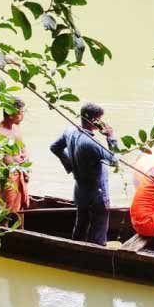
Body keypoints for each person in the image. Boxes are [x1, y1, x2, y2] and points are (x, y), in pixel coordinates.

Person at [50, 103, 118, 246]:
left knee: (80, 226)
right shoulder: (92, 143)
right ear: (95, 120)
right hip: (97, 194)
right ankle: (96, 255)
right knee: (98, 232)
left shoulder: (70, 131)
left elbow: (55, 147)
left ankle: (74, 250)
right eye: (100, 119)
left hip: (80, 190)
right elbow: (115, 160)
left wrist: (71, 164)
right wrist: (111, 137)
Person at [0, 98, 30, 213]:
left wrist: (26, 156)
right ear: (10, 114)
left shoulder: (16, 128)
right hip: (7, 176)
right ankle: (4, 229)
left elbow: (23, 148)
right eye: (21, 113)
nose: (23, 115)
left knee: (21, 209)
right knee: (6, 210)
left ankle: (20, 230)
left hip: (19, 173)